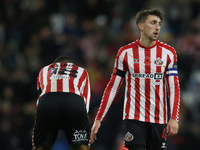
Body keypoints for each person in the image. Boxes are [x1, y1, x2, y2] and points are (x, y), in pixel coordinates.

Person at [91, 8, 180, 150]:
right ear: (141, 26)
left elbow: (174, 87)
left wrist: (174, 117)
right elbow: (113, 86)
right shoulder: (125, 52)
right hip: (134, 118)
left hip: (159, 119)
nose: (157, 27)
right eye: (153, 23)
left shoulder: (168, 53)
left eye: (159, 23)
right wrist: (98, 118)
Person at [32, 55, 91, 150]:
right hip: (74, 101)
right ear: (72, 65)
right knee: (82, 146)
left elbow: (40, 96)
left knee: (41, 146)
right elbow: (86, 100)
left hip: (48, 100)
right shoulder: (82, 71)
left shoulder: (44, 70)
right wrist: (82, 121)